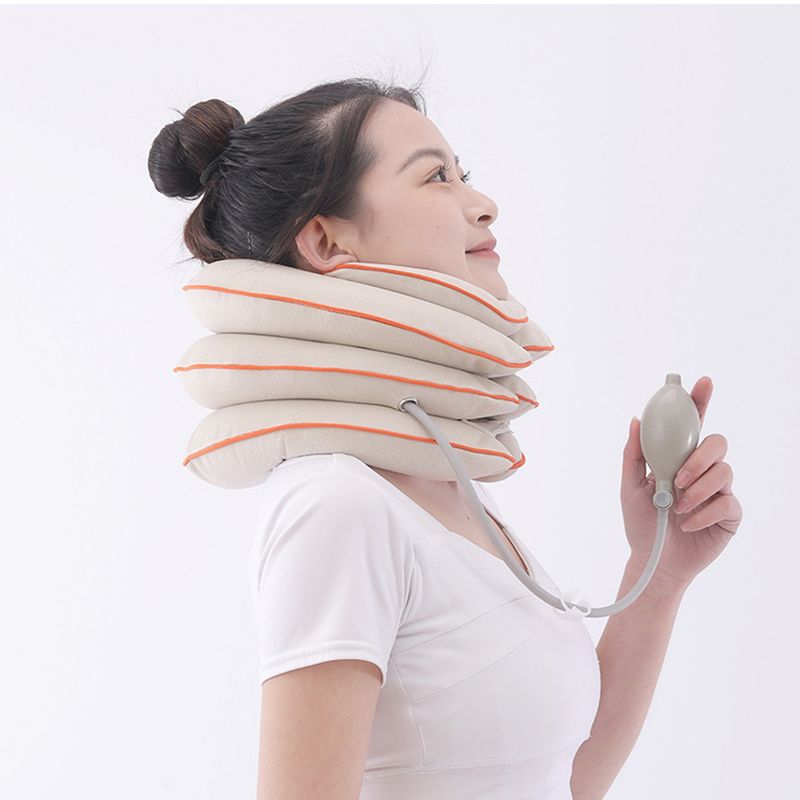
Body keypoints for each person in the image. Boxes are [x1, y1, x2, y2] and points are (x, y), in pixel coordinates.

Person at [148, 78, 603, 799]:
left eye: (464, 173)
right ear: (327, 240)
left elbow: (561, 780)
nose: (483, 203)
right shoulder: (339, 505)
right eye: (436, 177)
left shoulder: (442, 482)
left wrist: (665, 570)